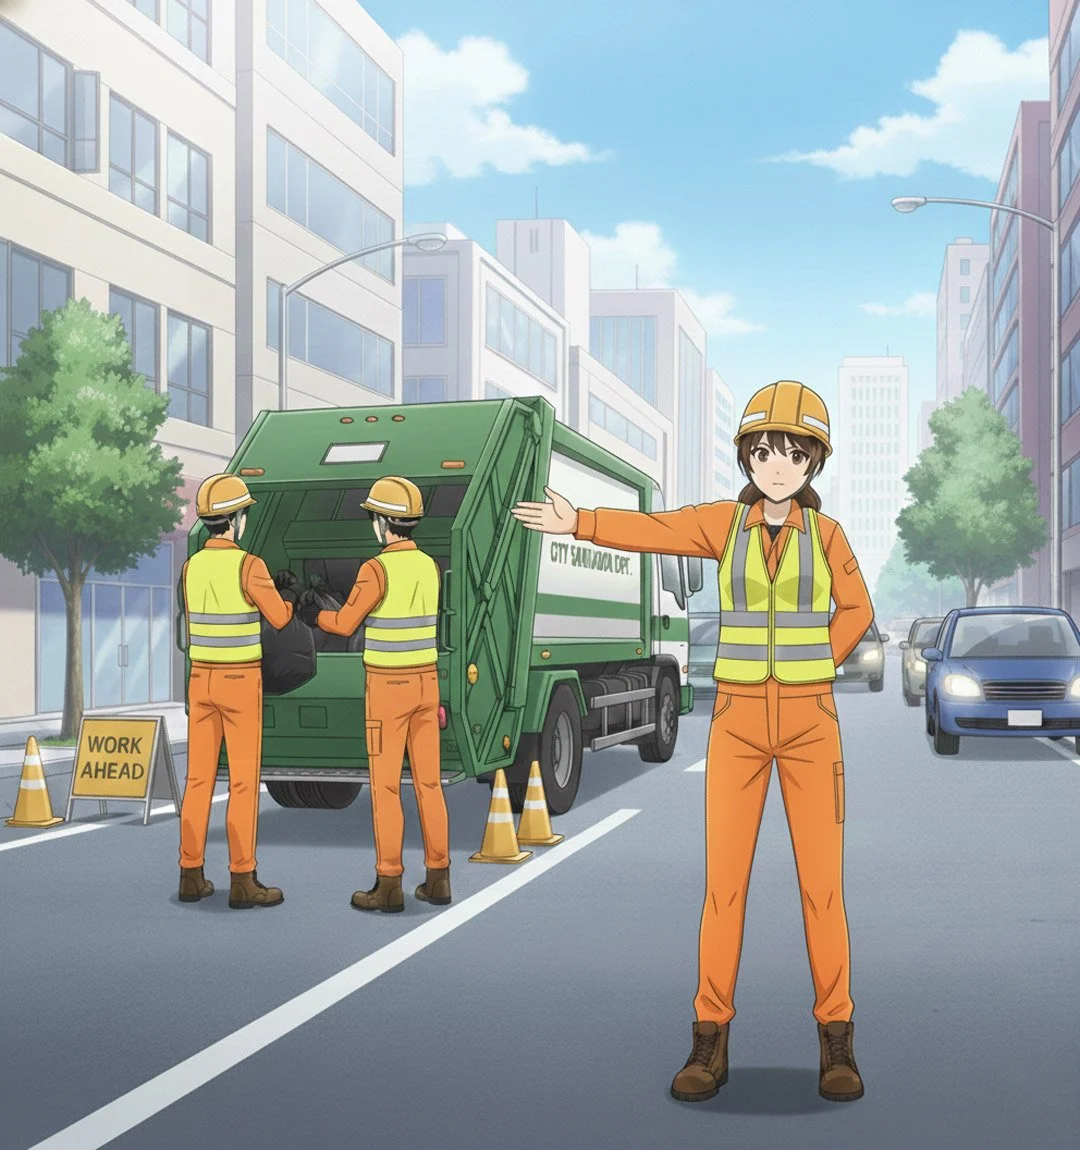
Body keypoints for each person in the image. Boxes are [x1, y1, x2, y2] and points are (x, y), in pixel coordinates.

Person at [511, 380, 873, 1104]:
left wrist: (816, 666)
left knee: (821, 889)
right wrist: (577, 519)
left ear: (813, 465)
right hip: (738, 723)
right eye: (765, 450)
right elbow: (656, 529)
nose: (777, 464)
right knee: (724, 887)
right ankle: (710, 1037)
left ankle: (837, 1037)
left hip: (809, 726)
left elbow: (857, 609)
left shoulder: (828, 537)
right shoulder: (723, 526)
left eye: (794, 453)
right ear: (747, 456)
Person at [298, 475, 450, 913]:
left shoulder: (375, 569)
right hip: (426, 682)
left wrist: (314, 616)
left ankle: (389, 885)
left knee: (386, 788)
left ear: (384, 523)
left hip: (389, 688)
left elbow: (346, 623)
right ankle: (438, 878)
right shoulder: (429, 565)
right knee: (428, 785)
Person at [178, 473, 298, 909]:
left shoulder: (192, 566)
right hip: (239, 681)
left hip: (200, 680)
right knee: (243, 782)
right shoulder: (249, 566)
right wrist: (287, 597)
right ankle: (243, 881)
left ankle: (191, 874)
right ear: (237, 519)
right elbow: (280, 619)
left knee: (198, 780)